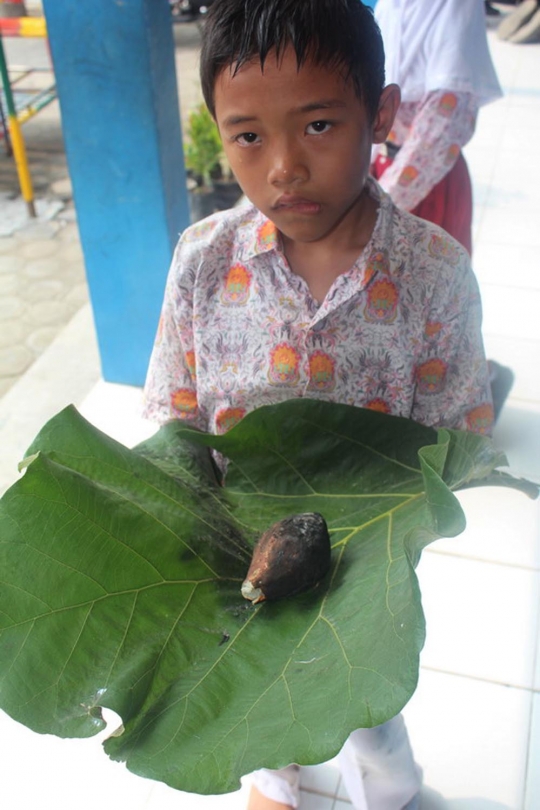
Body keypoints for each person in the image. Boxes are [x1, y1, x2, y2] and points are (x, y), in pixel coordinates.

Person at [143, 0, 495, 807]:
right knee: (261, 686)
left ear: (383, 114)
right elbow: (176, 413)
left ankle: (392, 785)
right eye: (249, 136)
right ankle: (275, 780)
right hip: (242, 554)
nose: (284, 169)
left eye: (319, 126)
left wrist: (401, 529)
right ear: (217, 129)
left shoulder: (433, 272)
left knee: (366, 702)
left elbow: (458, 434)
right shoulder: (201, 263)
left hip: (370, 557)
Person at [371, 0, 513, 419]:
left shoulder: (454, 5)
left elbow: (445, 118)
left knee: (431, 304)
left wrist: (381, 202)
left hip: (426, 181)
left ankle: (451, 412)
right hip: (379, 166)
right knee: (385, 302)